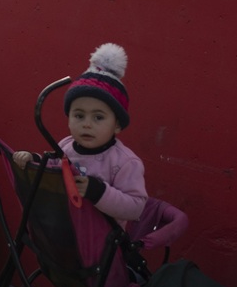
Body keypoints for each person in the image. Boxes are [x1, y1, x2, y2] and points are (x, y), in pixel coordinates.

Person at [12, 43, 146, 225]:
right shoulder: (66, 146)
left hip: (99, 243)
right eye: (79, 115)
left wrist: (100, 192)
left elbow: (136, 207)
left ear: (117, 125)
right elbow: (53, 167)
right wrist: (33, 159)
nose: (87, 124)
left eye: (98, 117)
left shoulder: (124, 162)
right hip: (65, 233)